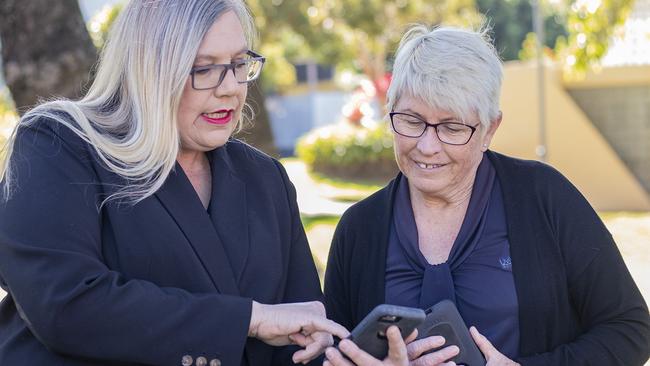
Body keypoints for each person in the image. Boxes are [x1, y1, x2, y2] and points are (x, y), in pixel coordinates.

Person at [0, 1, 349, 365]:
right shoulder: (60, 143)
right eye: (205, 68)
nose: (230, 87)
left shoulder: (265, 178)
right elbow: (65, 306)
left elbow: (300, 337)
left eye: (239, 64)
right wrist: (251, 318)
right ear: (149, 71)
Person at [323, 25, 650, 365]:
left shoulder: (544, 197)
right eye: (411, 121)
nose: (427, 146)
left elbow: (629, 330)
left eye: (452, 128)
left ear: (489, 129)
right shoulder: (359, 228)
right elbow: (332, 351)